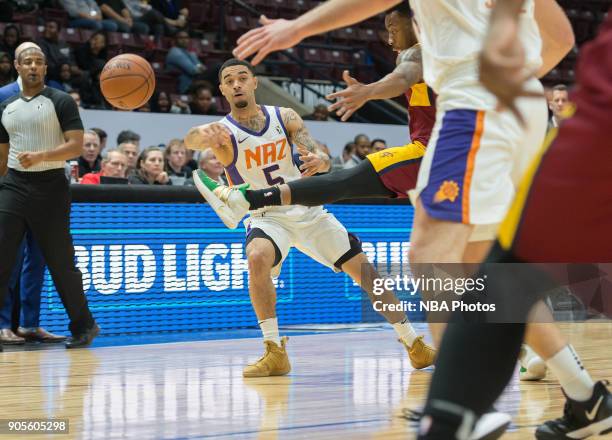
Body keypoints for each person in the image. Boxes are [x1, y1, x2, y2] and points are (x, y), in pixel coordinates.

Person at [416, 3, 612, 439]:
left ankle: (457, 407)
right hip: (516, 110)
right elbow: (561, 37)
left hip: (478, 108)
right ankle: (586, 396)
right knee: (499, 269)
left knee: (437, 254)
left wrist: (299, 27)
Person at [185, 58, 435, 377]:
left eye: (242, 77)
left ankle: (413, 343)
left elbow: (321, 160)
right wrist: (201, 131)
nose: (236, 84)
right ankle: (274, 350)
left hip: (306, 208)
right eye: (229, 80)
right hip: (266, 216)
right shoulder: (222, 133)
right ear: (222, 89)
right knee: (256, 256)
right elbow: (191, 141)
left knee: (367, 274)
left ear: (254, 82)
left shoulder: (284, 117)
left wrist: (321, 160)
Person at [0, 46, 98, 350]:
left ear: (45, 68)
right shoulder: (6, 104)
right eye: (27, 61)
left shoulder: (61, 101)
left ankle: (84, 326)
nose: (33, 66)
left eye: (38, 62)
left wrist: (42, 155)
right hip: (14, 185)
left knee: (61, 263)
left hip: (51, 187)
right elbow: (2, 154)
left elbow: (75, 146)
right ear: (17, 66)